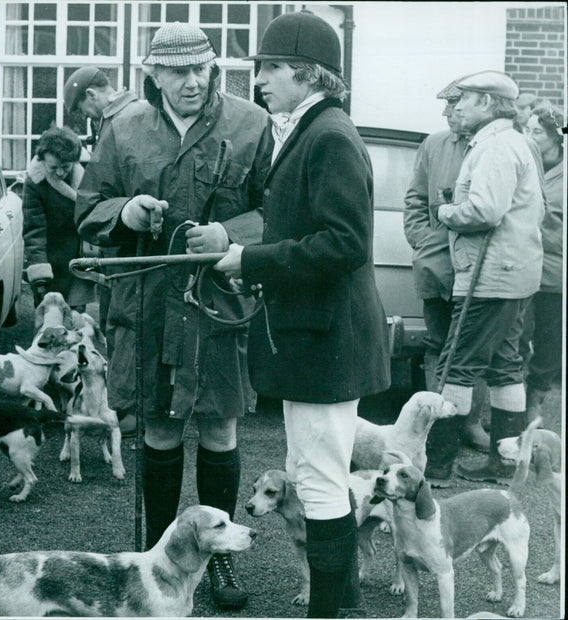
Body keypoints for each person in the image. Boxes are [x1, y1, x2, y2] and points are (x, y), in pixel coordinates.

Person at [75, 22, 271, 610]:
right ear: (152, 74)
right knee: (159, 428)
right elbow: (88, 210)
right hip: (150, 307)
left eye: (201, 69)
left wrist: (228, 233)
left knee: (218, 427)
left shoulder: (252, 124)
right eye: (177, 72)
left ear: (215, 69)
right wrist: (125, 212)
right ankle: (156, 563)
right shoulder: (123, 127)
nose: (192, 82)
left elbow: (278, 211)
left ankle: (221, 563)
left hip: (219, 306)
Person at [215, 10, 390, 617]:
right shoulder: (312, 128)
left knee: (318, 481)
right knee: (315, 475)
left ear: (307, 74)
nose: (259, 79)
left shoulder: (330, 135)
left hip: (325, 340)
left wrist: (250, 260)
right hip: (314, 338)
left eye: (270, 68)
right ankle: (340, 611)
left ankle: (336, 612)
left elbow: (344, 245)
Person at [429, 71, 543, 484]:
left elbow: (485, 211)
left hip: (490, 276)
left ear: (488, 103)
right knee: (504, 366)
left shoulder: (495, 146)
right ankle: (504, 462)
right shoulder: (512, 141)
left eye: (465, 100)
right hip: (511, 274)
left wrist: (444, 212)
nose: (457, 107)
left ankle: (436, 467)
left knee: (456, 364)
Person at [403, 78, 491, 486]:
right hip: (438, 267)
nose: (447, 114)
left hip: (480, 271)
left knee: (474, 351)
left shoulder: (492, 146)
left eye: (454, 105)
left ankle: (471, 425)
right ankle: (434, 430)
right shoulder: (434, 144)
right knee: (438, 345)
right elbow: (415, 200)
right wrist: (424, 240)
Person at [62, 67, 141, 437]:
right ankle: (122, 405)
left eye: (83, 108)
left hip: (124, 240)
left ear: (93, 96)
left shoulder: (122, 119)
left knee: (123, 323)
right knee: (116, 322)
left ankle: (127, 409)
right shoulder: (124, 116)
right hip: (118, 235)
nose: (85, 117)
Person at [521, 103, 563, 423]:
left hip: (553, 275)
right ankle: (509, 406)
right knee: (515, 339)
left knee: (549, 345)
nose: (529, 136)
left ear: (556, 137)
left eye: (536, 131)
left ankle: (534, 404)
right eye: (527, 129)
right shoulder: (522, 161)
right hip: (520, 269)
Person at [23, 125, 95, 310]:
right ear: (42, 159)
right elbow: (34, 232)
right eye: (53, 167)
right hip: (53, 263)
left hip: (81, 258)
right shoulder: (35, 183)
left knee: (77, 322)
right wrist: (39, 278)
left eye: (65, 167)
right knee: (52, 322)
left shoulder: (89, 172)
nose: (60, 173)